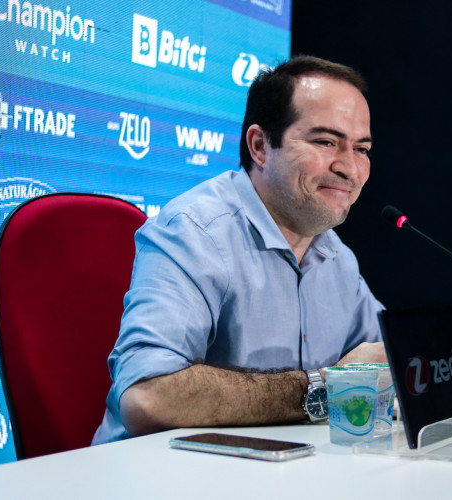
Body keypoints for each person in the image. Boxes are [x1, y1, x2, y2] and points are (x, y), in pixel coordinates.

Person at [92, 56, 386, 444]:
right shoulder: (194, 232)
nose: (350, 168)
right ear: (261, 146)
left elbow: (385, 360)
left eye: (361, 149)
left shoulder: (335, 255)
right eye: (325, 142)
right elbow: (148, 397)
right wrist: (324, 389)